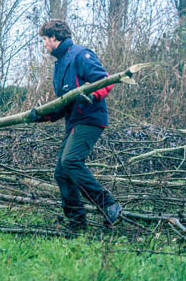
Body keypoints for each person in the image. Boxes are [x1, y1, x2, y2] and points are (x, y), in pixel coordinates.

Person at [30, 19, 122, 232]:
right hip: (73, 122)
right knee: (62, 173)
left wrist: (90, 95)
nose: (43, 44)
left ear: (54, 38)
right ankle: (77, 223)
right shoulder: (58, 66)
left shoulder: (81, 54)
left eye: (44, 39)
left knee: (70, 161)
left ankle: (108, 203)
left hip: (90, 119)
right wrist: (42, 116)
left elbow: (104, 81)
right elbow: (63, 104)